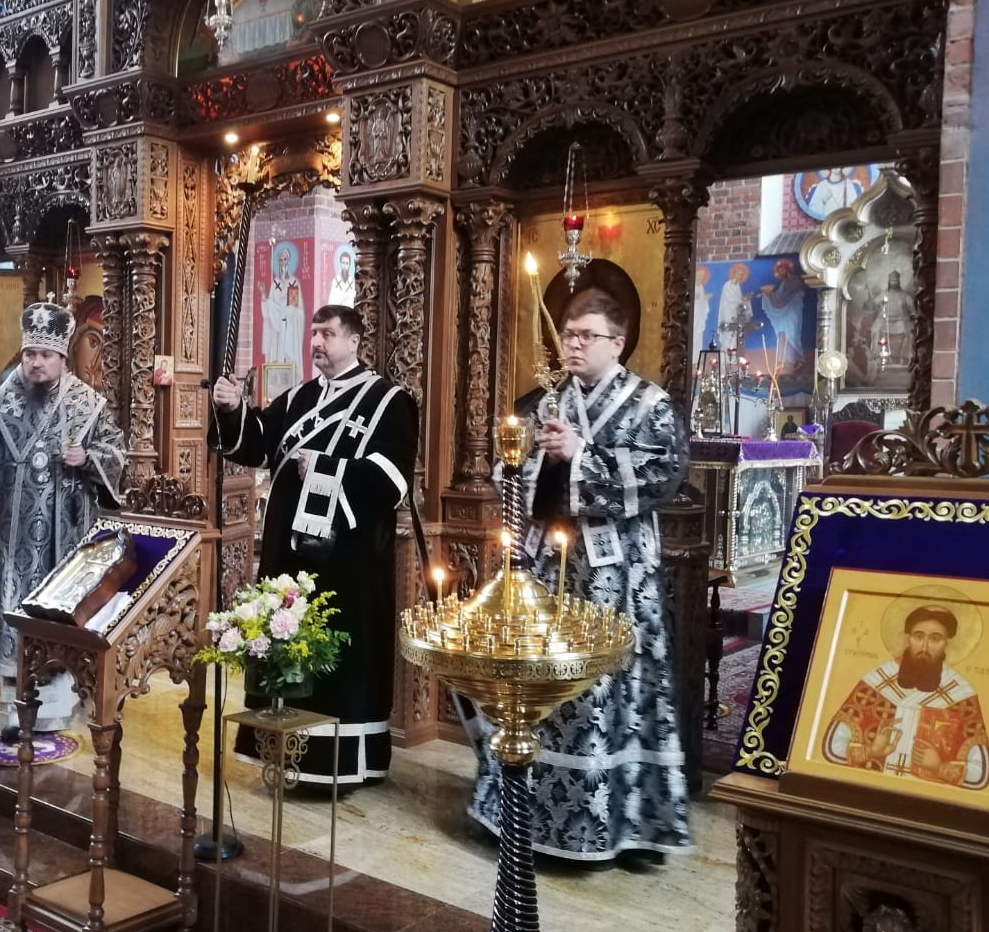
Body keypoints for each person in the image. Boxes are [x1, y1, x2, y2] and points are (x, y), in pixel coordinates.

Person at [465, 287, 689, 863]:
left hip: (615, 573)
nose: (575, 344)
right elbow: (507, 471)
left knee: (608, 688)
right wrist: (534, 457)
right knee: (542, 684)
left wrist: (583, 454)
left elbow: (664, 475)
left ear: (618, 342)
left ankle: (624, 826)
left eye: (587, 335)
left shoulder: (649, 403)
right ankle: (523, 815)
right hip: (546, 566)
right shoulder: (545, 401)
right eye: (568, 334)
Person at [210, 304, 418, 785]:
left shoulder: (389, 401)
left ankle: (338, 762)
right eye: (314, 333)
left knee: (339, 663)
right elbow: (257, 443)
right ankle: (280, 748)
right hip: (289, 553)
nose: (317, 342)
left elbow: (393, 480)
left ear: (354, 341)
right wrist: (233, 408)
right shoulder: (300, 397)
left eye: (328, 334)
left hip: (349, 563)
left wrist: (325, 468)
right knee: (285, 648)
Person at [0, 302, 126, 733]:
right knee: (14, 611)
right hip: (12, 537)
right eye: (30, 353)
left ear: (62, 357)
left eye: (45, 355)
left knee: (61, 615)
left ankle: (59, 704)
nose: (35, 362)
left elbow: (118, 452)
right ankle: (20, 705)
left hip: (66, 540)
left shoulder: (87, 403)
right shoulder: (5, 400)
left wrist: (89, 457)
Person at [822, 604, 989, 788]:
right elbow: (831, 749)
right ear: (908, 639)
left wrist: (939, 767)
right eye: (918, 636)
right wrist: (870, 751)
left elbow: (980, 776)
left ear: (946, 644)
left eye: (935, 639)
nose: (924, 647)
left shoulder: (960, 693)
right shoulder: (877, 681)